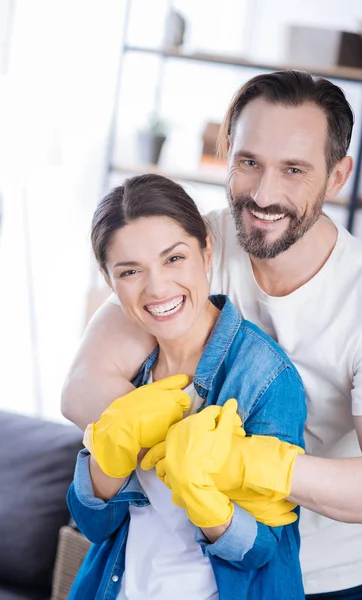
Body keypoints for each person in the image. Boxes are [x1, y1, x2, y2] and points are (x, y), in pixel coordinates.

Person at [62, 70, 362, 600]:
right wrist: (177, 448)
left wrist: (250, 463)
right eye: (249, 163)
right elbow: (82, 387)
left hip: (325, 580)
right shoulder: (194, 245)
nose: (264, 194)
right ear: (228, 153)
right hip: (188, 565)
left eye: (294, 169)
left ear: (337, 177)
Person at [67, 173, 307, 600]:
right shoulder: (126, 368)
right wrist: (112, 446)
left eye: (173, 259)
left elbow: (264, 552)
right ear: (110, 282)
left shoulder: (264, 376)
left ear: (206, 252)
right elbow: (93, 524)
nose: (157, 287)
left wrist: (202, 493)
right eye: (130, 271)